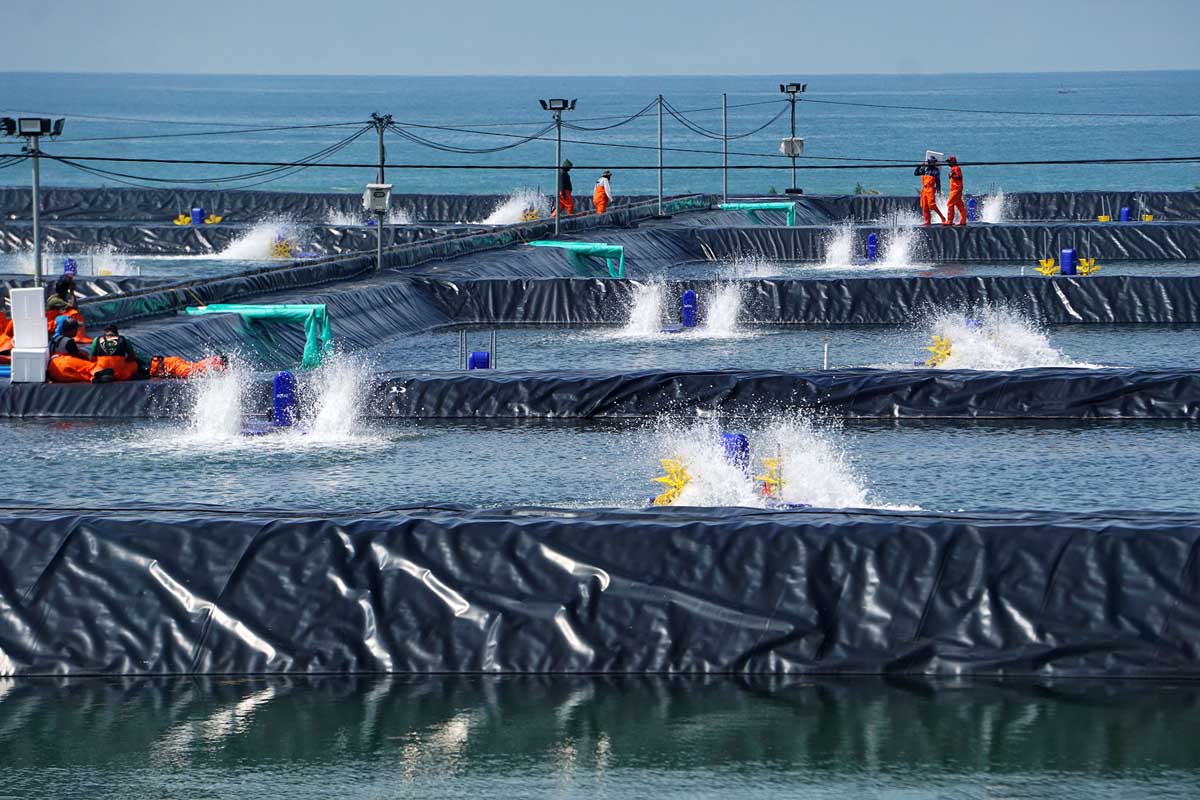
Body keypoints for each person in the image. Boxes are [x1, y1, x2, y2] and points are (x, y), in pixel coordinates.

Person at [47, 317, 114, 383]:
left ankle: (93, 378)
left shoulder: (54, 338)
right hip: (65, 364)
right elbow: (78, 356)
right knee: (90, 366)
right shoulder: (69, 341)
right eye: (76, 328)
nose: (77, 331)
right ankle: (100, 372)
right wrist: (89, 359)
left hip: (53, 369)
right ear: (72, 330)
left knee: (78, 375)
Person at [914, 155, 946, 226]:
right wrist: (920, 166)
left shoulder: (935, 171)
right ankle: (927, 221)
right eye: (932, 161)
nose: (933, 163)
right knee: (924, 206)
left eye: (934, 162)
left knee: (932, 205)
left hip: (930, 189)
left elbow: (938, 181)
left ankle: (942, 217)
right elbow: (916, 173)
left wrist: (939, 190)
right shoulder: (925, 170)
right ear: (928, 162)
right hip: (924, 189)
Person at [148, 353, 228, 379]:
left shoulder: (178, 368)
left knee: (198, 368)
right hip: (182, 367)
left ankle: (219, 364)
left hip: (180, 366)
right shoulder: (169, 361)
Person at [944, 155, 967, 226]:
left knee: (950, 204)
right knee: (959, 205)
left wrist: (952, 175)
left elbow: (959, 177)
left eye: (949, 161)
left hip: (956, 189)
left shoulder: (956, 168)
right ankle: (963, 220)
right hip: (955, 190)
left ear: (953, 161)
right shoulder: (953, 168)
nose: (948, 163)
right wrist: (951, 175)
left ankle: (949, 221)